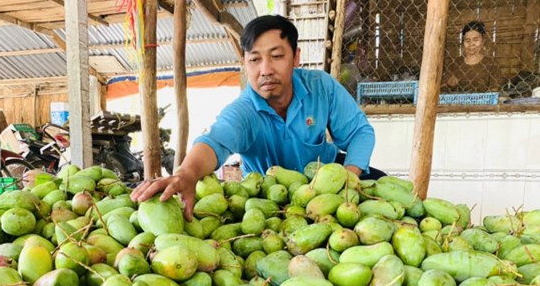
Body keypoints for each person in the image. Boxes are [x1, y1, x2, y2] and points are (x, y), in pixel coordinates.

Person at [132, 14, 378, 220]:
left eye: (277, 56)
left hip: (329, 188)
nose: (266, 69)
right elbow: (214, 142)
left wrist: (349, 176)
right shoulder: (243, 111)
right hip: (269, 201)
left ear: (296, 57)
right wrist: (186, 174)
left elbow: (359, 132)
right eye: (255, 59)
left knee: (382, 188)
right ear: (245, 63)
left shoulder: (321, 87)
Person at [442, 21, 502, 93]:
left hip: (484, 103)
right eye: (467, 40)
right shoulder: (455, 63)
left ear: (483, 41)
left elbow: (494, 89)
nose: (471, 44)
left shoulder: (491, 64)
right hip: (457, 103)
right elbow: (442, 88)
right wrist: (449, 84)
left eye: (475, 40)